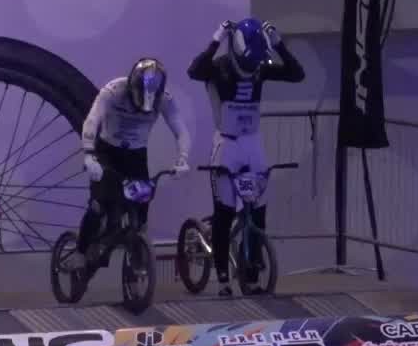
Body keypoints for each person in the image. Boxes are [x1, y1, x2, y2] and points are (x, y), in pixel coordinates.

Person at [187, 17, 305, 296]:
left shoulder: (260, 68)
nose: (253, 68)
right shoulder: (219, 67)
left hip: (252, 143)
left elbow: (296, 74)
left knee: (259, 211)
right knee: (225, 211)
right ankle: (222, 277)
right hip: (226, 144)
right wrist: (216, 38)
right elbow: (195, 70)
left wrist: (278, 44)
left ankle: (251, 272)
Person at [73, 58, 191, 269]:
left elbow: (180, 129)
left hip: (136, 157)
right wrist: (89, 155)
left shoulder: (165, 99)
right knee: (98, 206)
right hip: (107, 152)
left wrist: (183, 159)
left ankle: (137, 256)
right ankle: (80, 252)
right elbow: (92, 120)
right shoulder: (113, 91)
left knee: (141, 210)